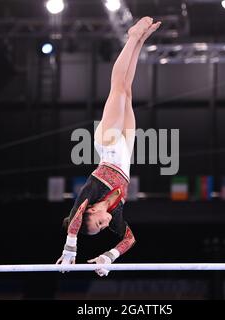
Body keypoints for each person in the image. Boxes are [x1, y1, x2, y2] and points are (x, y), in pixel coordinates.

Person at [56, 17, 161, 277]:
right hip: (125, 149)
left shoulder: (90, 194)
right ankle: (140, 41)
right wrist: (108, 256)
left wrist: (70, 249)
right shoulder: (117, 214)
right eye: (103, 229)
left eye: (98, 224)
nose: (105, 225)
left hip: (108, 144)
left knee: (117, 88)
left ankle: (132, 37)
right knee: (127, 91)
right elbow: (129, 240)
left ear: (91, 211)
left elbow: (75, 214)